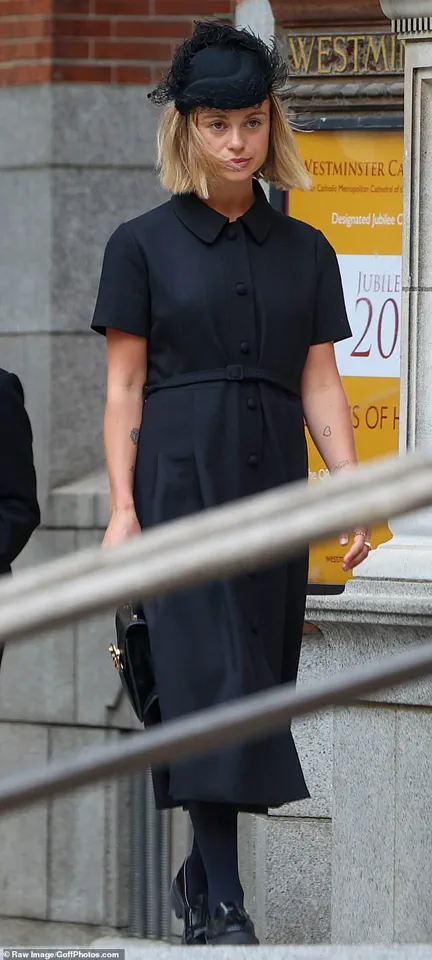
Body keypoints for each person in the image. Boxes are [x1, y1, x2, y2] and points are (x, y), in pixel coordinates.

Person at [91, 21, 371, 946]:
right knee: (207, 673)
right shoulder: (139, 244)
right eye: (218, 124)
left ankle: (197, 873)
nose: (237, 142)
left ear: (270, 125)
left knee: (255, 679)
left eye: (252, 121)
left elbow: (320, 380)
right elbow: (124, 386)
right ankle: (225, 904)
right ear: (187, 131)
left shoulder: (308, 251)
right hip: (178, 476)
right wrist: (124, 509)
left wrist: (353, 491)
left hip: (272, 483)